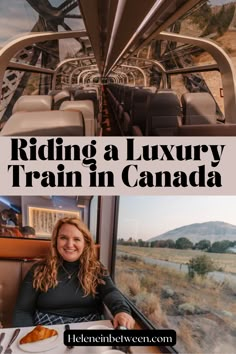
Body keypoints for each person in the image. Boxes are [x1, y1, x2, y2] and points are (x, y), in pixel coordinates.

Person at [13, 217, 135, 329]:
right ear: (55, 241)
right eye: (63, 238)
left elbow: (110, 291)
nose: (69, 244)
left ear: (85, 243)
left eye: (76, 239)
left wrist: (122, 311)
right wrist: (28, 337)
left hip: (88, 329)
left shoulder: (96, 268)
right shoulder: (38, 270)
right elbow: (23, 310)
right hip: (47, 331)